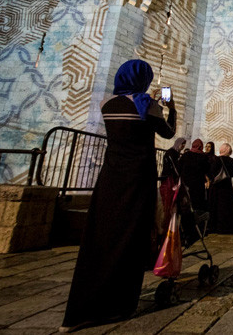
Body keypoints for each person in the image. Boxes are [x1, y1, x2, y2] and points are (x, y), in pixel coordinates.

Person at [60, 59, 176, 332]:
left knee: (100, 239)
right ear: (143, 80)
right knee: (130, 239)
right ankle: (117, 305)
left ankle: (82, 309)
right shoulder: (148, 105)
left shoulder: (107, 104)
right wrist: (171, 108)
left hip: (110, 179)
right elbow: (168, 134)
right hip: (138, 180)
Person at [207, 143, 233, 234]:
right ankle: (228, 227)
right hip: (227, 187)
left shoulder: (216, 159)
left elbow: (211, 172)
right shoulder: (231, 160)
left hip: (217, 187)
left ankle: (215, 227)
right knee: (227, 207)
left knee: (216, 206)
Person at [177, 139, 210, 212]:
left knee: (185, 203)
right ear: (201, 147)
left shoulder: (186, 155)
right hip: (198, 184)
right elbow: (207, 169)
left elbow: (178, 167)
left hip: (186, 183)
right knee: (197, 204)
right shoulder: (203, 157)